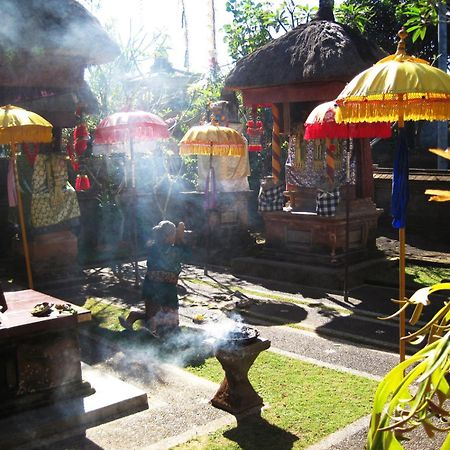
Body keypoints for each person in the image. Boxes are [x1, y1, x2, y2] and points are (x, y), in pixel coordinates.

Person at [119, 220, 189, 336]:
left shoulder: (153, 247)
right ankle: (152, 330)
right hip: (165, 289)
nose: (175, 237)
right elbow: (187, 254)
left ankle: (135, 316)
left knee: (152, 315)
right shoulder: (172, 251)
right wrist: (181, 238)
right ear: (168, 236)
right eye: (174, 235)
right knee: (171, 322)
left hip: (151, 286)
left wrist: (178, 236)